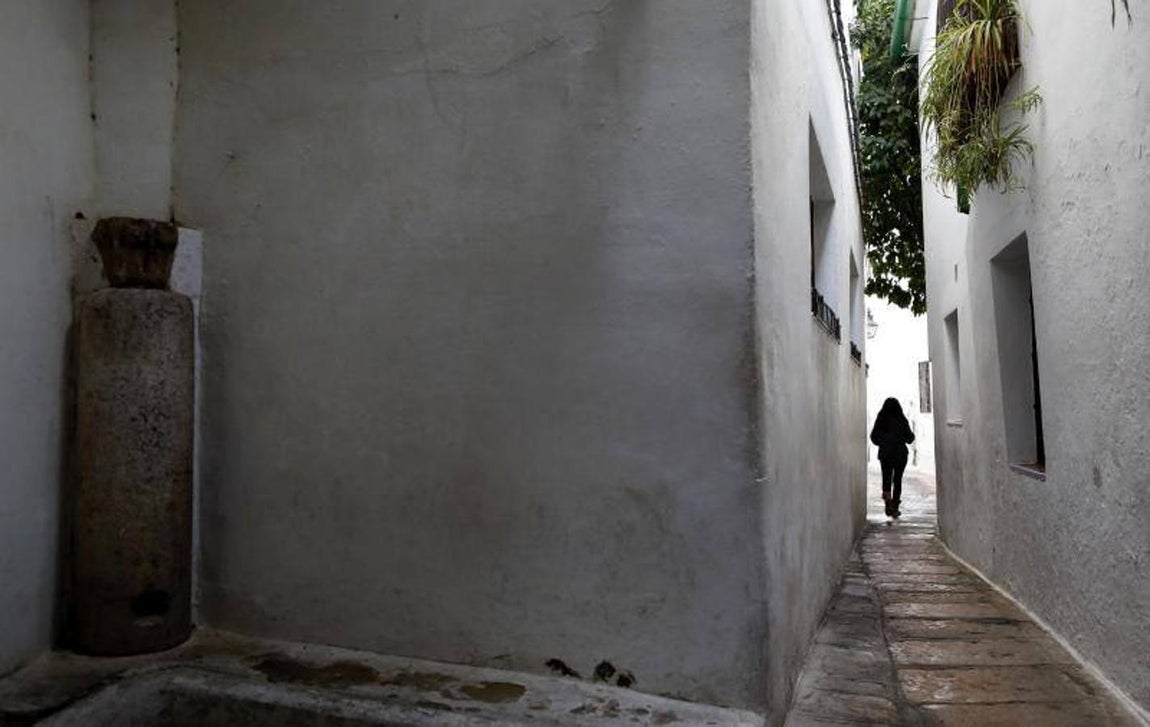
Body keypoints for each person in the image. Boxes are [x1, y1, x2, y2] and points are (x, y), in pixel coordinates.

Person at [870, 398, 915, 518]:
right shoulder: (901, 419)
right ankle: (895, 505)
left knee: (886, 477)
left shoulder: (881, 419)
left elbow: (874, 437)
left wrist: (884, 442)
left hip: (885, 454)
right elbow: (910, 438)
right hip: (900, 454)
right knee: (897, 479)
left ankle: (888, 502)